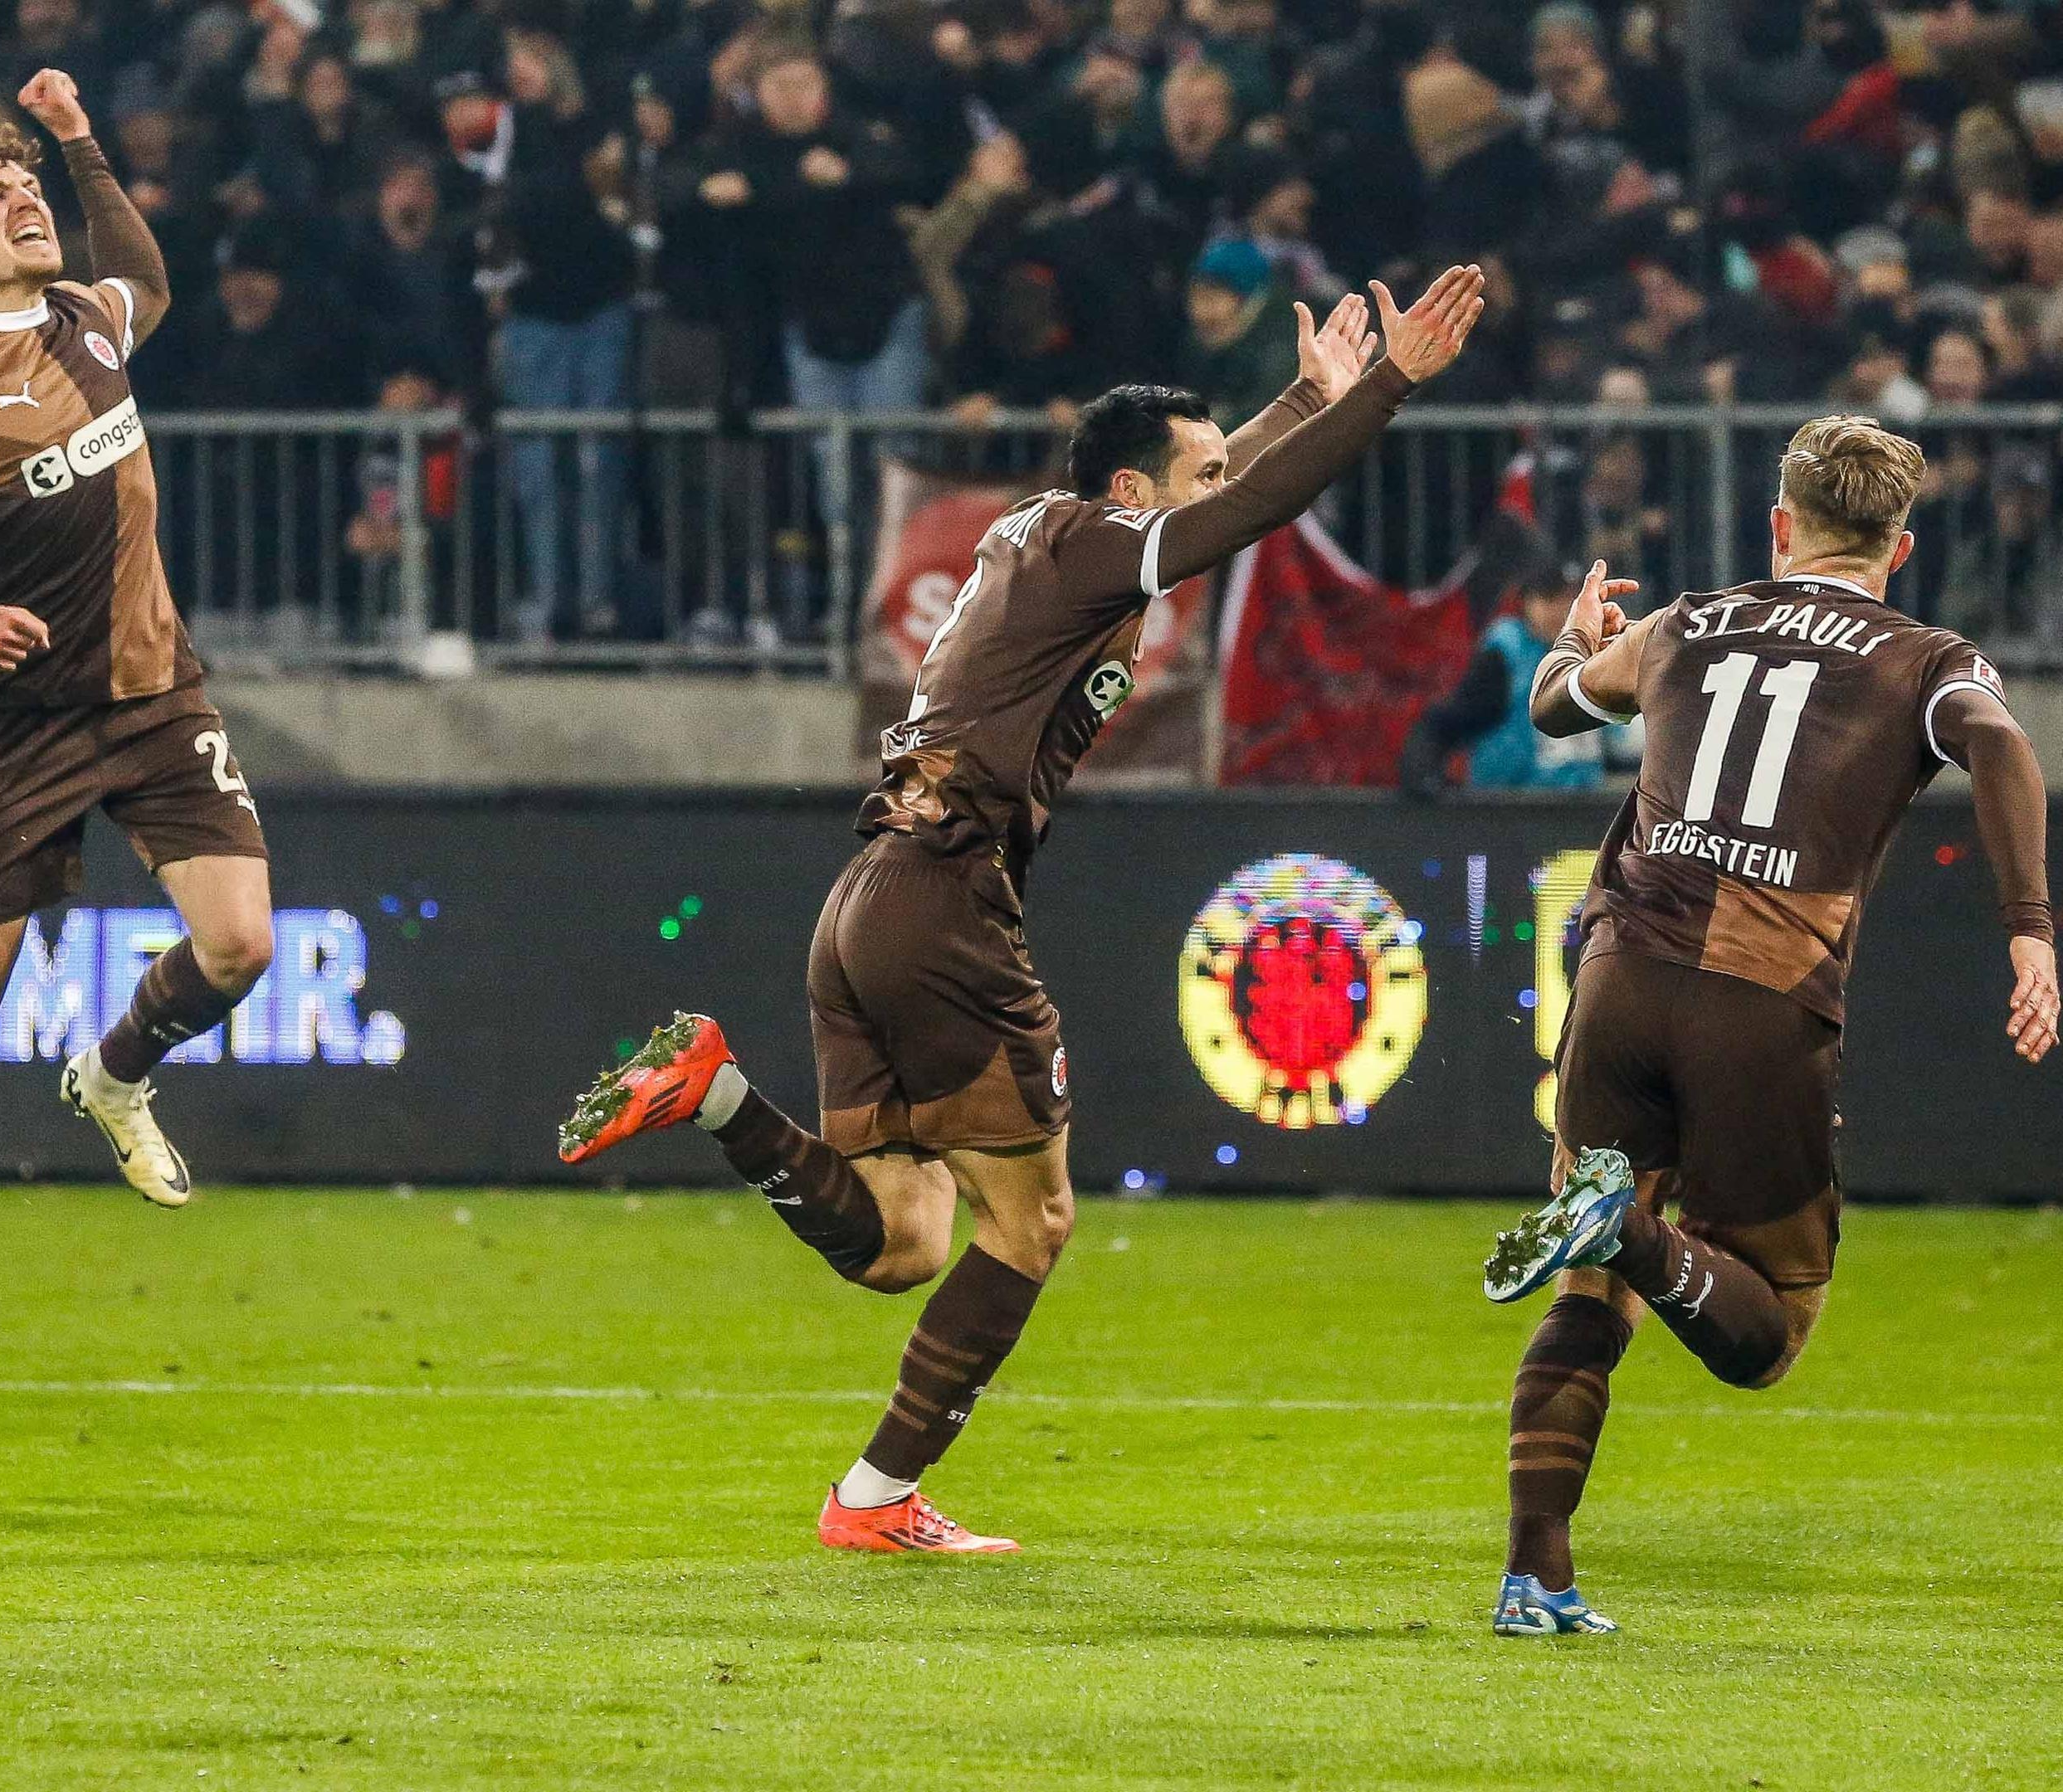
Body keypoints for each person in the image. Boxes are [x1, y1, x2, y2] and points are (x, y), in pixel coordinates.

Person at [556, 272, 1485, 1553]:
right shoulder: (1096, 547)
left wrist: (1296, 400)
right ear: (1132, 494)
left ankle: (717, 1096)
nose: (1219, 482)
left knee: (900, 1240)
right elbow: (1248, 507)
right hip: (944, 899)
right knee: (1033, 1220)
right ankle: (874, 1504)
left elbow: (1220, 488)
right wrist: (1384, 392)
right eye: (1194, 469)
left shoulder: (1046, 538)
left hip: (867, 900)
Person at [1480, 416, 2055, 1637]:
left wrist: (1572, 643)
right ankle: (1626, 1232)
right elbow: (2001, 743)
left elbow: (1554, 709)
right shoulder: (1926, 655)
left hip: (1620, 975)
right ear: (1898, 550)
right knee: (1771, 1330)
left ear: (1781, 528)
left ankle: (1537, 1577)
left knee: (1592, 1282)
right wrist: (2030, 928)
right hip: (1757, 996)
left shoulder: (1687, 621)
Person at [0, 73, 273, 1401]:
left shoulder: (88, 320)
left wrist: (81, 141)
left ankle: (116, 1074)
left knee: (244, 942)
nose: (23, 197)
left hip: (152, 695)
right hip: (21, 728)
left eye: (28, 184)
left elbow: (147, 272)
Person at [1400, 558, 1611, 796]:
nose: (1562, 611)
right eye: (1550, 598)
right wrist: (1423, 775)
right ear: (1526, 602)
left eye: (1573, 601)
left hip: (1583, 812)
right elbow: (1446, 722)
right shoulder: (1506, 655)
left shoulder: (1600, 655)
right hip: (1509, 812)